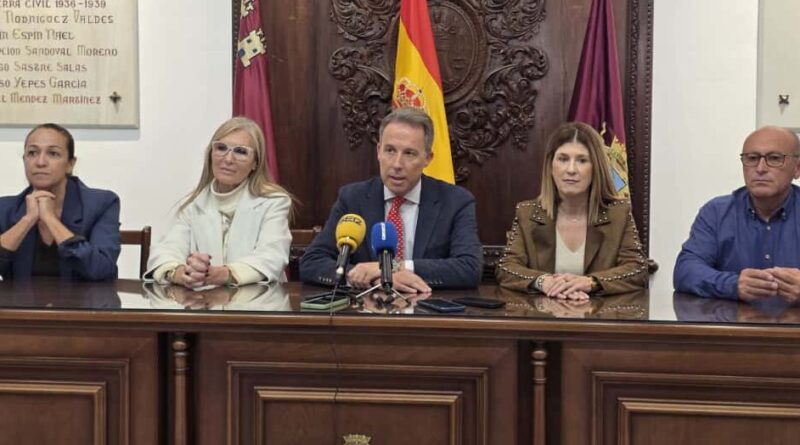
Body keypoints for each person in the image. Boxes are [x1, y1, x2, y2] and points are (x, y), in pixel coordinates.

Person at [299, 107, 482, 292]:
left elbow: (469, 267)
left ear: (428, 158)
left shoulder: (456, 201)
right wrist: (370, 277)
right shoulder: (352, 198)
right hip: (366, 306)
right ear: (379, 151)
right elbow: (312, 262)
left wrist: (394, 268)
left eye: (409, 153)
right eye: (390, 150)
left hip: (426, 306)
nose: (397, 164)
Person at [496, 122, 648, 299]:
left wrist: (591, 282)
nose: (571, 170)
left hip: (600, 314)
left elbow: (638, 269)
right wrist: (542, 281)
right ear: (550, 166)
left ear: (596, 167)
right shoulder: (528, 214)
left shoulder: (618, 214)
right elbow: (506, 267)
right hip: (542, 313)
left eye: (582, 160)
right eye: (563, 159)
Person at [145, 117, 292, 288]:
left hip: (261, 300)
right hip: (206, 300)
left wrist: (223, 274)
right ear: (211, 155)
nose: (228, 159)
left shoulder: (274, 201)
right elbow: (167, 250)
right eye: (221, 148)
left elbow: (272, 257)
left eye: (241, 151)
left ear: (255, 163)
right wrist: (180, 273)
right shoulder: (193, 204)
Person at [674, 125, 800, 302]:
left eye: (774, 158)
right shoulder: (717, 213)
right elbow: (685, 271)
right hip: (732, 320)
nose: (760, 168)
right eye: (752, 158)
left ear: (797, 168)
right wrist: (733, 285)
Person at [0, 123, 120, 281]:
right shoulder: (5, 208)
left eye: (53, 154)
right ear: (24, 160)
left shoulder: (101, 204)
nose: (40, 162)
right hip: (21, 298)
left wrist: (50, 219)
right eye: (32, 153)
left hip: (83, 298)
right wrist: (27, 220)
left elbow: (102, 269)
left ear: (70, 164)